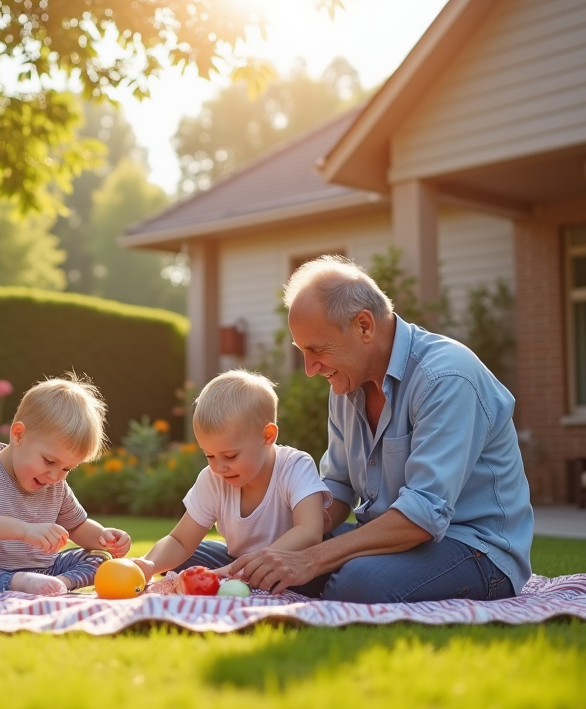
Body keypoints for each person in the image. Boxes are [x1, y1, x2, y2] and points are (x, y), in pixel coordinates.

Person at [226, 255, 534, 602]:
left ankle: (321, 581)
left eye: (316, 350)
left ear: (364, 326)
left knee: (358, 583)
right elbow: (338, 485)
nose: (310, 369)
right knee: (235, 559)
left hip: (475, 549)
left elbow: (423, 515)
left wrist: (310, 560)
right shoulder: (346, 383)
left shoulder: (446, 377)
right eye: (302, 351)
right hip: (388, 542)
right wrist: (280, 536)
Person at [134, 370, 332, 595]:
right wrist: (148, 564)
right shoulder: (213, 479)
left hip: (293, 567)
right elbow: (180, 540)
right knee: (192, 557)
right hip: (235, 561)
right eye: (209, 455)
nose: (218, 467)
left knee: (321, 578)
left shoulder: (295, 466)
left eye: (230, 456)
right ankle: (232, 578)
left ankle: (238, 579)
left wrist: (236, 569)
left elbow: (309, 532)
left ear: (267, 436)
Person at [0, 374, 132, 596]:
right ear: (19, 435)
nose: (55, 476)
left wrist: (105, 537)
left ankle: (60, 583)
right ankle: (24, 583)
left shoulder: (54, 486)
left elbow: (76, 526)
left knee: (100, 558)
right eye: (49, 461)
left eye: (67, 469)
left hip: (46, 570)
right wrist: (23, 531)